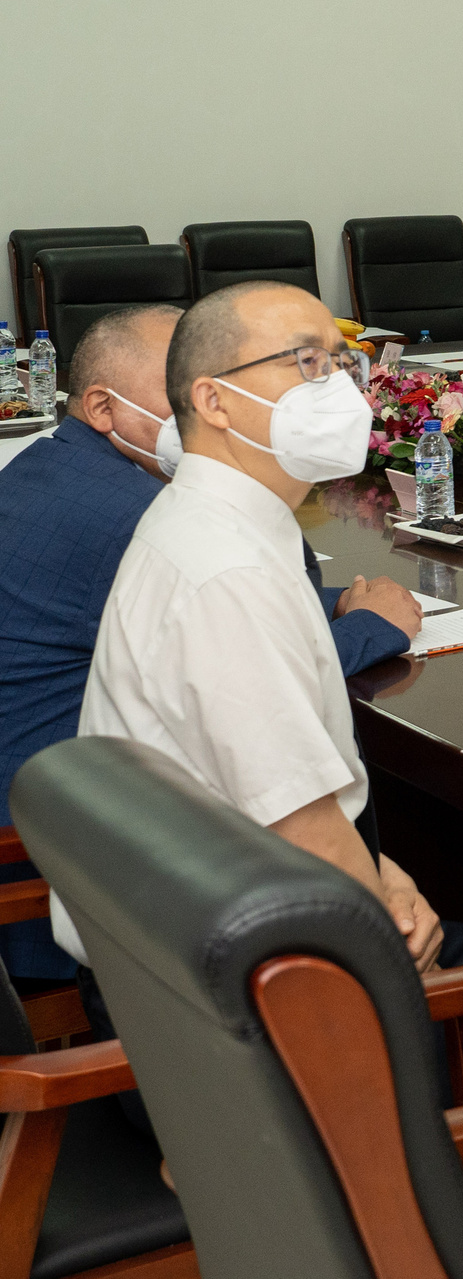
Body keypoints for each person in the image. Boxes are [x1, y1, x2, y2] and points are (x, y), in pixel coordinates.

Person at [66, 282, 463, 1250]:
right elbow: (306, 834)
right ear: (215, 402)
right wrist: (384, 898)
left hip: (190, 967)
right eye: (302, 362)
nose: (335, 386)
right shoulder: (224, 569)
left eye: (338, 360)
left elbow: (292, 801)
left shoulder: (219, 522)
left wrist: (381, 873)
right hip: (232, 1037)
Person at [0, 304, 420, 982]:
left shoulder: (61, 472)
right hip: (64, 869)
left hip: (89, 820)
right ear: (104, 408)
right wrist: (374, 627)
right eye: (180, 389)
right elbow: (247, 665)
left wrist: (334, 600)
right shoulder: (135, 516)